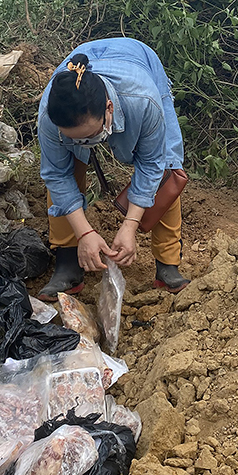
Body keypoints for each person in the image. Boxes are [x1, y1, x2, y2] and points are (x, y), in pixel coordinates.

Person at [36, 38, 189, 299]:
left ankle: (167, 265)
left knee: (167, 169)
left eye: (90, 135)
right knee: (67, 168)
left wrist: (130, 226)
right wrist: (85, 233)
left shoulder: (143, 101)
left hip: (139, 63)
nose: (83, 143)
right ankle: (67, 266)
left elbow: (152, 165)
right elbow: (56, 175)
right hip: (84, 68)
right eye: (73, 138)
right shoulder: (50, 117)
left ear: (109, 109)